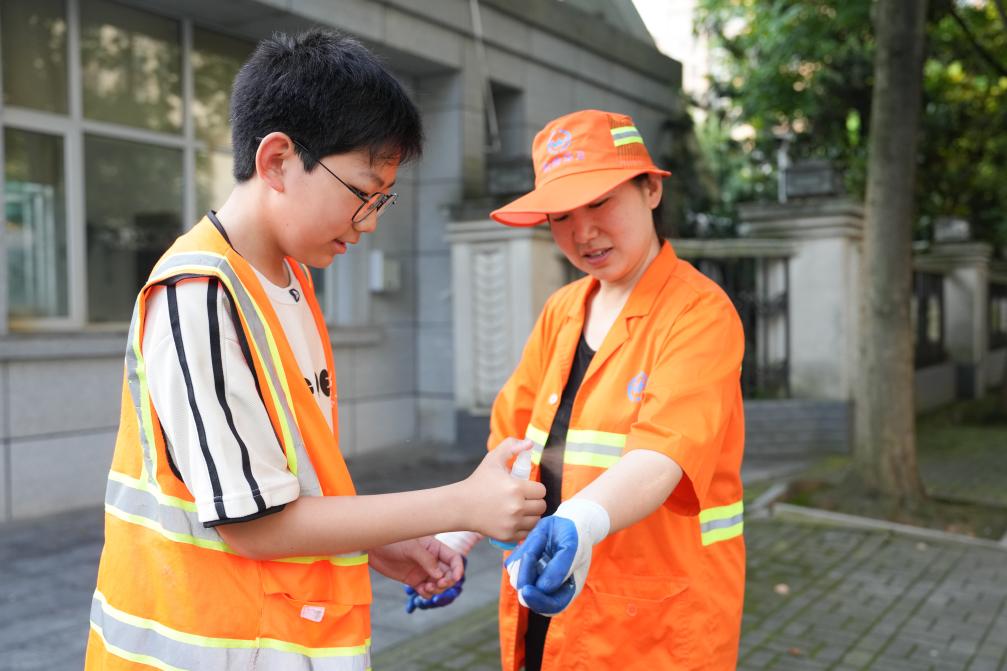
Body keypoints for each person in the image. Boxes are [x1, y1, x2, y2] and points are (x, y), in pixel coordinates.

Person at [85, 29, 545, 671]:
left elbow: (287, 485)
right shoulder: (199, 295)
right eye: (362, 193)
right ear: (276, 160)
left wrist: (386, 543)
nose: (371, 221)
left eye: (383, 198)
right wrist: (460, 503)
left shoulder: (289, 280)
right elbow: (254, 524)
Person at [418, 109, 745, 669]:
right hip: (549, 597)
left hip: (657, 624)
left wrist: (578, 521)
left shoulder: (699, 313)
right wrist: (455, 538)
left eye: (600, 202)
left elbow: (663, 455)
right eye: (562, 214)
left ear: (649, 190)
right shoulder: (563, 311)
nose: (583, 231)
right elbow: (513, 444)